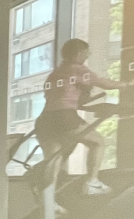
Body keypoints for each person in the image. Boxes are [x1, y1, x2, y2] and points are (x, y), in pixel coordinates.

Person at [32, 38, 124, 196]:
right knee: (97, 142)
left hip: (45, 119)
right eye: (87, 53)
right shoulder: (77, 69)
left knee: (55, 158)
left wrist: (89, 105)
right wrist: (129, 84)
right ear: (80, 53)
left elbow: (68, 101)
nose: (88, 56)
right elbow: (104, 83)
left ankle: (47, 198)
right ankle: (92, 183)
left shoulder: (55, 74)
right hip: (64, 116)